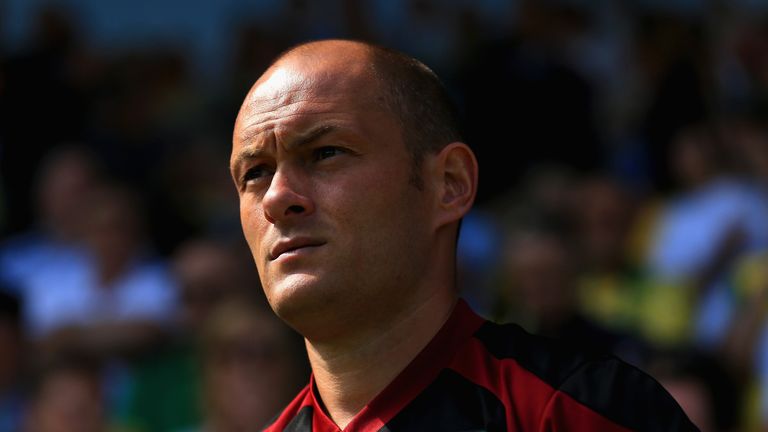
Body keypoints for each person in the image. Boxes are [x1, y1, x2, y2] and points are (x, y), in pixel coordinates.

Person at [230, 39, 696, 431]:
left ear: (449, 184)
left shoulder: (581, 415)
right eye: (254, 173)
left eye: (326, 152)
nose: (276, 198)